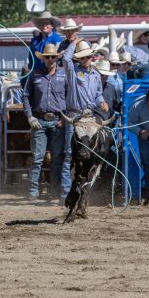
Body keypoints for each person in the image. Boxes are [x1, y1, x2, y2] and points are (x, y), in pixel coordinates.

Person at [61, 39, 109, 202]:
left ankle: (84, 188)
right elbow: (66, 59)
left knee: (93, 152)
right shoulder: (72, 71)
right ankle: (68, 191)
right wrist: (74, 43)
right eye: (82, 58)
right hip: (75, 116)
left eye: (87, 57)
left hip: (90, 117)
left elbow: (97, 95)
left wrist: (101, 102)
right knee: (70, 154)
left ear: (91, 57)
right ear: (78, 59)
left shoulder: (96, 74)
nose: (85, 60)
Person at [22, 43, 67, 200]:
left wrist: (64, 118)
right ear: (43, 58)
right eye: (47, 57)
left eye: (52, 57)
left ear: (56, 58)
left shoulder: (64, 75)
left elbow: (70, 98)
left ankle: (55, 190)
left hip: (57, 120)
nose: (49, 59)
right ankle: (34, 191)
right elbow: (25, 96)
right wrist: (30, 117)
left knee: (57, 158)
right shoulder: (34, 75)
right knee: (37, 157)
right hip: (39, 120)